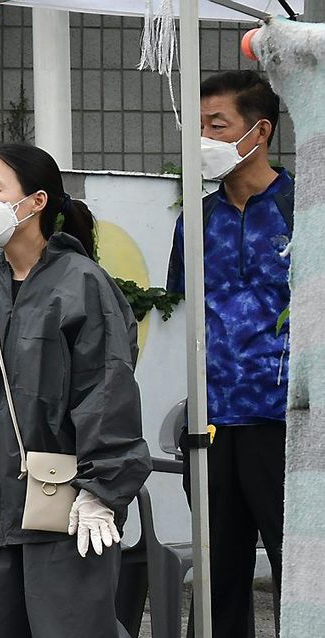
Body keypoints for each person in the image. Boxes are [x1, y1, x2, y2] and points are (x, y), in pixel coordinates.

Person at [0, 144, 151, 638]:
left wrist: (102, 491)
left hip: (66, 511)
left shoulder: (83, 285)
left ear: (37, 201)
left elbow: (107, 388)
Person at [166, 70, 291, 637]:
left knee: (302, 568)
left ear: (259, 131)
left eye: (217, 126)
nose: (203, 139)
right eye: (197, 127)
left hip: (290, 422)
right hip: (212, 423)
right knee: (219, 574)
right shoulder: (197, 217)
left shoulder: (304, 209)